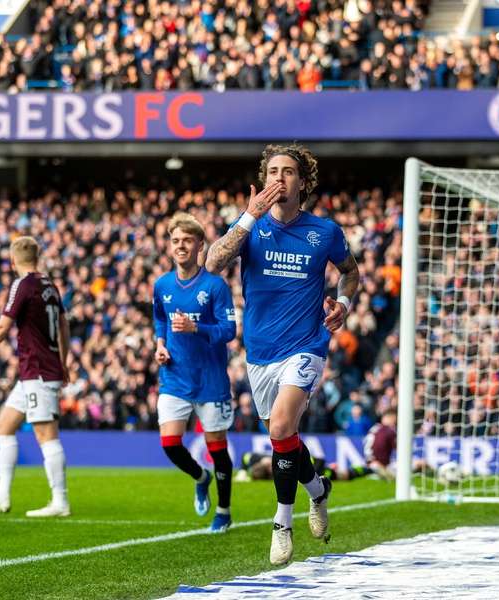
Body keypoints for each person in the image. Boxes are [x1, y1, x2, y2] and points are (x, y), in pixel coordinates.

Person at [206, 143, 360, 565]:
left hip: (306, 344)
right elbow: (212, 262)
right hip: (260, 351)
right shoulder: (251, 227)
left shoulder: (324, 232)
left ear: (302, 182)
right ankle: (318, 490)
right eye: (273, 170)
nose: (280, 177)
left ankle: (282, 523)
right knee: (283, 437)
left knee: (279, 426)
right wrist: (249, 214)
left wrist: (343, 305)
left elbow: (351, 272)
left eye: (288, 171)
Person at [0, 236, 71, 517]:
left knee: (46, 435)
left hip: (39, 370)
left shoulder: (23, 285)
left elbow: (1, 327)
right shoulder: (49, 284)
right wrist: (64, 360)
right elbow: (63, 324)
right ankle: (2, 494)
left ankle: (60, 501)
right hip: (37, 370)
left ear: (13, 261)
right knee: (4, 425)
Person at [153, 212, 237, 533]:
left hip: (210, 380)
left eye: (187, 240)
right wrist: (160, 344)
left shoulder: (215, 286)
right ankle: (200, 478)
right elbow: (160, 319)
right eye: (176, 241)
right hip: (174, 376)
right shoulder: (162, 285)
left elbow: (229, 331)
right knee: (170, 443)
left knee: (218, 448)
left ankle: (225, 511)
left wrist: (195, 327)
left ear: (200, 245)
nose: (181, 246)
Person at [237, 451, 375, 482]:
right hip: (311, 467)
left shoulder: (255, 458)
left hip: (313, 464)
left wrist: (242, 471)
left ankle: (370, 470)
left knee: (342, 475)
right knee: (341, 475)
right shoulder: (277, 469)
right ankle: (370, 470)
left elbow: (245, 456)